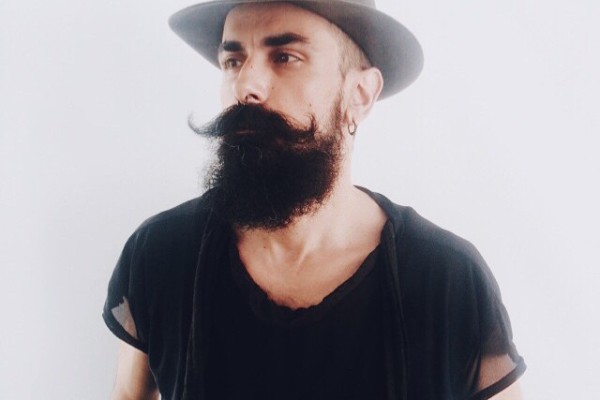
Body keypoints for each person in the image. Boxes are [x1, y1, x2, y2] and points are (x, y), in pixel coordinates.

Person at [103, 1, 526, 399]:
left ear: (360, 94)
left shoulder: (446, 281)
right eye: (233, 60)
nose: (246, 85)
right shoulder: (161, 255)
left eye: (285, 57)